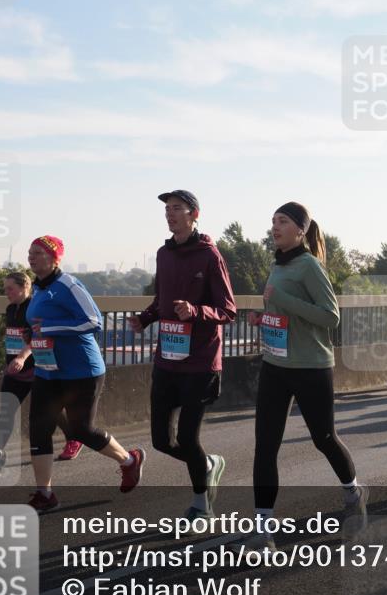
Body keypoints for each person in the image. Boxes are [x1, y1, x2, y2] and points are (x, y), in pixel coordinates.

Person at [245, 202, 365, 551]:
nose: (275, 227)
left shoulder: (310, 266)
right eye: (272, 221)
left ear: (300, 230)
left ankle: (354, 493)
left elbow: (330, 316)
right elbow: (284, 312)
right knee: (265, 446)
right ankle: (263, 531)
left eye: (282, 221)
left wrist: (282, 299)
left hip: (311, 366)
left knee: (324, 438)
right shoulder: (277, 264)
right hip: (276, 364)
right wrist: (264, 317)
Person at [129, 190, 237, 521]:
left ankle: (201, 504)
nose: (170, 214)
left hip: (201, 361)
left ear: (194, 215)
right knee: (162, 441)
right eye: (167, 209)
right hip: (168, 359)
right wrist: (145, 319)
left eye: (177, 208)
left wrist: (196, 311)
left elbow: (228, 310)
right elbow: (161, 300)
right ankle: (207, 464)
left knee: (188, 437)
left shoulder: (210, 255)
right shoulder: (164, 254)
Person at [25, 235, 145, 512]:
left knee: (81, 430)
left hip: (81, 370)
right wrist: (32, 334)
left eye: (37, 253)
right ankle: (45, 493)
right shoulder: (39, 288)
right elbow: (40, 324)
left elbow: (93, 321)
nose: (31, 257)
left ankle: (129, 460)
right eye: (29, 252)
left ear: (54, 258)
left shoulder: (68, 285)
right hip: (48, 370)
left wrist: (50, 328)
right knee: (39, 429)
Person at [0, 272, 79, 492]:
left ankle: (74, 437)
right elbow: (15, 337)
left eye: (10, 288)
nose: (6, 293)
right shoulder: (10, 309)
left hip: (38, 368)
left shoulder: (34, 308)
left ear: (24, 287)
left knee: (51, 410)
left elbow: (36, 338)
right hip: (15, 370)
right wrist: (13, 360)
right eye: (5, 288)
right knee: (6, 412)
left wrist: (22, 357)